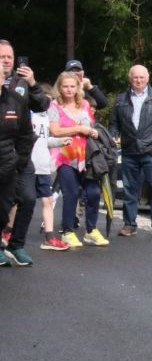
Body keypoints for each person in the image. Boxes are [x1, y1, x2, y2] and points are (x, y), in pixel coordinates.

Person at [109, 65, 152, 238]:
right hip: (130, 151)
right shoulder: (121, 99)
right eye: (135, 77)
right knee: (130, 190)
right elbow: (113, 124)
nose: (138, 80)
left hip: (151, 151)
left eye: (142, 77)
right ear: (130, 78)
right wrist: (114, 135)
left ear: (148, 78)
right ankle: (129, 224)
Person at [0, 40, 50, 265]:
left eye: (9, 56)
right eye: (2, 57)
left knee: (28, 198)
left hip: (20, 153)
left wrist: (33, 83)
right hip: (3, 154)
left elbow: (42, 106)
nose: (6, 61)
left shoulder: (22, 83)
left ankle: (17, 245)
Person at [48, 71, 109, 248]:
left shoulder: (84, 104)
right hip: (65, 156)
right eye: (65, 86)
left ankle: (91, 230)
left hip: (86, 156)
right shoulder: (54, 106)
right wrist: (79, 128)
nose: (68, 89)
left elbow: (90, 127)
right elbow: (55, 131)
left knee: (94, 192)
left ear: (77, 88)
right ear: (59, 88)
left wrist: (94, 132)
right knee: (71, 193)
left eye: (72, 86)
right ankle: (68, 231)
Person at [0, 64, 34, 267]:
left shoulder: (16, 101)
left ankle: (14, 245)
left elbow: (25, 136)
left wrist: (17, 162)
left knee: (3, 212)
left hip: (8, 167)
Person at [31, 83, 72, 252]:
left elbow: (46, 140)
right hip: (27, 165)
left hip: (43, 166)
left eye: (49, 101)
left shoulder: (48, 120)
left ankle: (49, 237)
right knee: (18, 202)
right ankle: (8, 232)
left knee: (47, 200)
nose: (46, 105)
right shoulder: (30, 116)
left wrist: (61, 141)